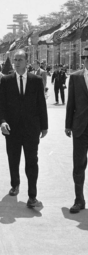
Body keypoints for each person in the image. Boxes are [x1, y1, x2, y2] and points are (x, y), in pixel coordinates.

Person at [0, 49, 48, 208]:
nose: (17, 62)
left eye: (20, 59)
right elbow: (0, 104)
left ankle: (32, 196)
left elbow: (41, 105)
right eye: (15, 59)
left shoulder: (36, 80)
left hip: (31, 129)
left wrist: (44, 126)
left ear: (27, 62)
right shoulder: (6, 81)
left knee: (32, 162)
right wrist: (2, 121)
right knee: (13, 159)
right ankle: (15, 184)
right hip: (12, 129)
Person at [65, 52, 88, 213]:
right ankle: (79, 200)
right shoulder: (75, 77)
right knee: (78, 165)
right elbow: (70, 103)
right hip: (80, 127)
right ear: (85, 60)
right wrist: (68, 125)